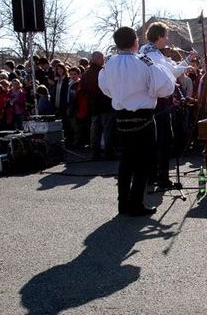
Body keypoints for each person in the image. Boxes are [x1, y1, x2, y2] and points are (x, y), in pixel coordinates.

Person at [98, 26, 176, 217]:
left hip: (122, 117)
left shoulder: (109, 64)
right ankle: (136, 203)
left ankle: (123, 203)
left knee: (126, 160)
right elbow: (165, 86)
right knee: (143, 162)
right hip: (143, 117)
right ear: (135, 42)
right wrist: (149, 93)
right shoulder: (143, 61)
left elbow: (105, 88)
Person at [140, 22, 189, 188]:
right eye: (165, 36)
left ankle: (151, 175)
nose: (167, 39)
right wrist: (188, 62)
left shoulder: (145, 50)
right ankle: (162, 177)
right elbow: (172, 72)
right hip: (159, 102)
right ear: (159, 37)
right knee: (163, 139)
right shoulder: (154, 55)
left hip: (150, 100)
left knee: (152, 140)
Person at [80, 52, 115, 160]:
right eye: (103, 58)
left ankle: (95, 153)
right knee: (107, 129)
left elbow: (83, 90)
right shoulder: (103, 71)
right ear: (99, 59)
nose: (104, 60)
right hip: (105, 104)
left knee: (95, 129)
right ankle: (109, 153)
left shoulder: (86, 73)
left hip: (93, 105)